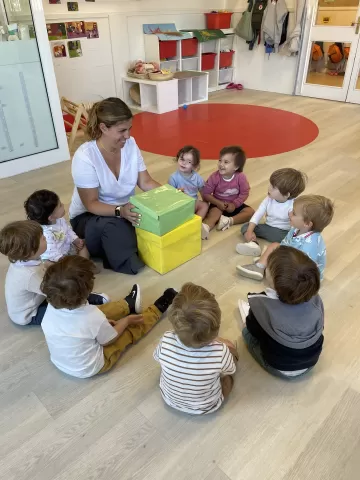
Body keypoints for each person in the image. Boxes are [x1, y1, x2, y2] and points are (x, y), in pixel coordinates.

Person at [41, 256, 177, 378]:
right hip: (94, 365)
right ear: (88, 290)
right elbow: (108, 340)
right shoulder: (91, 316)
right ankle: (157, 309)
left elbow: (84, 324)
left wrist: (102, 323)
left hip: (62, 361)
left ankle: (128, 304)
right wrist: (126, 321)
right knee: (129, 331)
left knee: (101, 311)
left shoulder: (54, 304)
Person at [69, 97, 161, 275]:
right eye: (122, 130)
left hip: (125, 212)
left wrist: (171, 195)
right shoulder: (85, 156)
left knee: (153, 217)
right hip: (89, 217)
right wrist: (121, 211)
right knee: (118, 230)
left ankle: (118, 244)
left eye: (129, 129)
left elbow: (146, 182)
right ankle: (112, 245)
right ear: (104, 128)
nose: (127, 135)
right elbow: (91, 204)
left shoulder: (131, 145)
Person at [0, 221, 108, 326]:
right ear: (31, 251)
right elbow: (55, 291)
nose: (46, 238)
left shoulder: (25, 259)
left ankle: (84, 298)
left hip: (38, 299)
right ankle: (85, 304)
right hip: (29, 314)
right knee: (68, 313)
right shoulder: (29, 275)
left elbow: (43, 267)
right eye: (42, 238)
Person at [240, 246, 324, 380]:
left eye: (267, 267)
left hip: (279, 367)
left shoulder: (261, 304)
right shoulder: (316, 300)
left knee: (245, 332)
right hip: (310, 363)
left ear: (274, 282)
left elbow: (253, 330)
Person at [154, 282, 238, 415]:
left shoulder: (165, 340)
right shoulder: (221, 352)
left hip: (169, 399)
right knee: (231, 366)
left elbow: (157, 357)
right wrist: (228, 349)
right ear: (216, 328)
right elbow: (230, 370)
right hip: (207, 407)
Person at [237, 194, 334, 281]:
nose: (289, 213)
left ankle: (261, 266)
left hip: (300, 278)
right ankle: (263, 264)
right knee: (274, 246)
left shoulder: (310, 246)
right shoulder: (296, 229)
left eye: (294, 213)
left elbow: (302, 272)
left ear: (307, 223)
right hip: (291, 259)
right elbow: (285, 244)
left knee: (273, 266)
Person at [236, 168, 307, 255]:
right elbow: (258, 214)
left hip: (283, 232)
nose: (269, 188)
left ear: (286, 195)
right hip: (268, 227)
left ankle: (275, 251)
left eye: (273, 187)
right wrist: (250, 231)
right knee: (246, 227)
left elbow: (296, 226)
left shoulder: (293, 205)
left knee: (295, 241)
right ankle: (253, 245)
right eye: (270, 184)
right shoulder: (269, 199)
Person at [201, 146, 254, 240]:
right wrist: (218, 203)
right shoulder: (214, 177)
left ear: (236, 167)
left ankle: (228, 221)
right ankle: (206, 227)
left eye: (226, 162)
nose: (221, 164)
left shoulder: (241, 177)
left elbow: (244, 193)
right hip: (217, 204)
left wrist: (234, 204)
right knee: (214, 213)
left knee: (250, 212)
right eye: (220, 160)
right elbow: (206, 193)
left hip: (234, 205)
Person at [24, 189, 89, 263]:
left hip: (66, 248)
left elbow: (67, 230)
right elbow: (51, 254)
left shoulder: (59, 219)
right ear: (51, 217)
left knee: (83, 244)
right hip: (54, 259)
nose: (63, 204)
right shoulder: (45, 234)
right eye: (60, 205)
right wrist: (63, 259)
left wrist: (75, 240)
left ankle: (84, 265)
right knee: (51, 265)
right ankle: (82, 268)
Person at [168, 145, 209, 222]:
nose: (184, 163)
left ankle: (195, 221)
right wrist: (177, 193)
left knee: (205, 206)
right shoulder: (173, 178)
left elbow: (203, 192)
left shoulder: (197, 178)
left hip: (194, 204)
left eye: (189, 162)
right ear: (177, 159)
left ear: (195, 166)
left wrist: (206, 203)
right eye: (182, 159)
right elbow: (169, 196)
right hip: (180, 205)